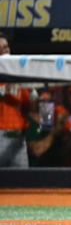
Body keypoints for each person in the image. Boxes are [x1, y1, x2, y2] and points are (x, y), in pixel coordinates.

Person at [0, 32, 31, 167]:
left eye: (5, 47)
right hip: (1, 136)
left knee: (22, 181)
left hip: (18, 137)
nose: (4, 52)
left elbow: (31, 107)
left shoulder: (19, 78)